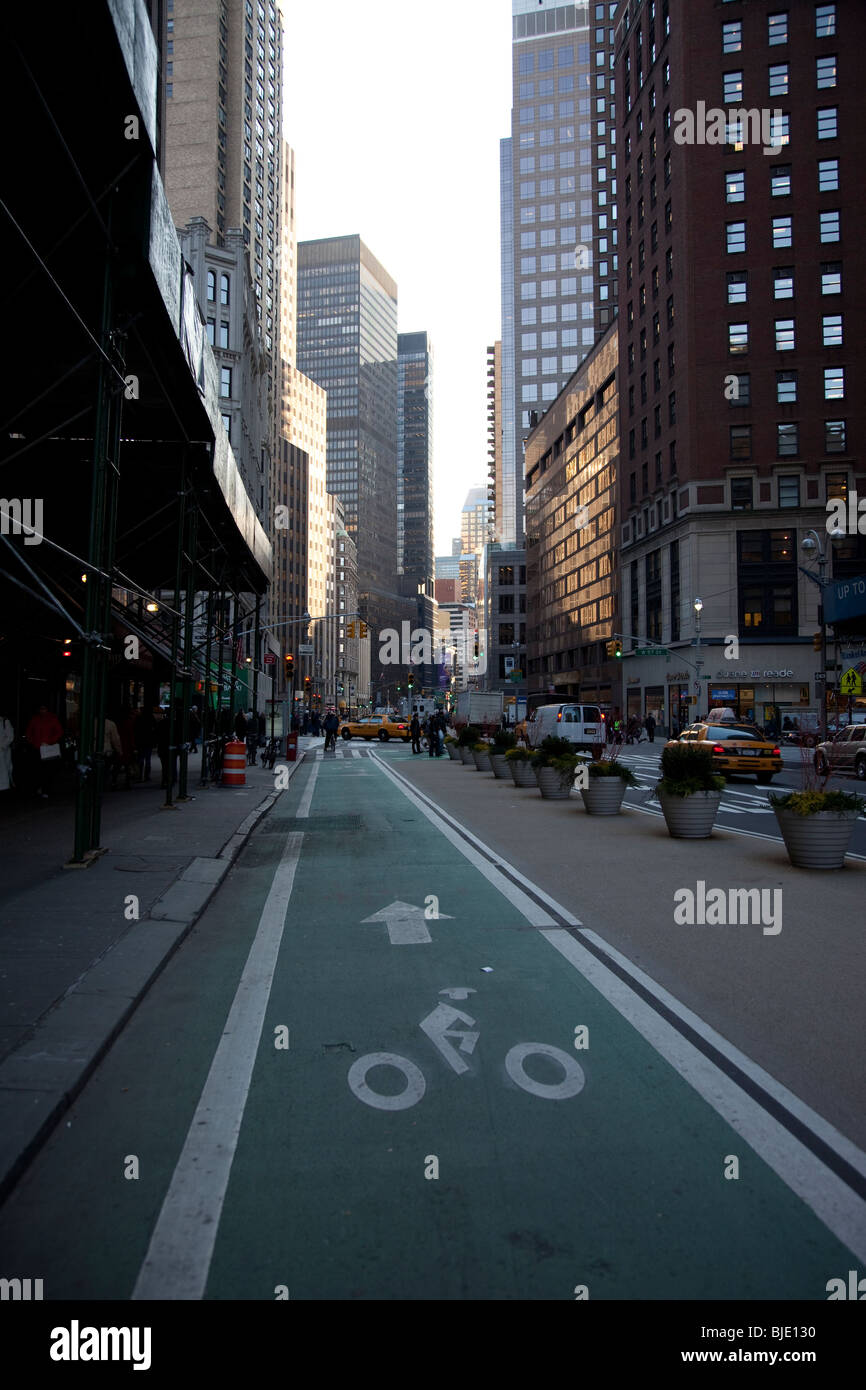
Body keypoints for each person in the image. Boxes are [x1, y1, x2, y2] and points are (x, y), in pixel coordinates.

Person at [25, 703, 64, 799]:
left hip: (45, 748)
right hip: (39, 747)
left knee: (46, 770)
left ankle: (44, 789)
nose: (43, 711)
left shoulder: (50, 719)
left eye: (44, 709)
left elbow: (59, 732)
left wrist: (49, 742)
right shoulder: (37, 719)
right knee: (39, 770)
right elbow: (29, 733)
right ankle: (41, 788)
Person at [0, 711, 14, 794]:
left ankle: (4, 789)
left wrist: (2, 746)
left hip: (2, 752)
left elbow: (10, 736)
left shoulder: (5, 721)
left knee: (4, 770)